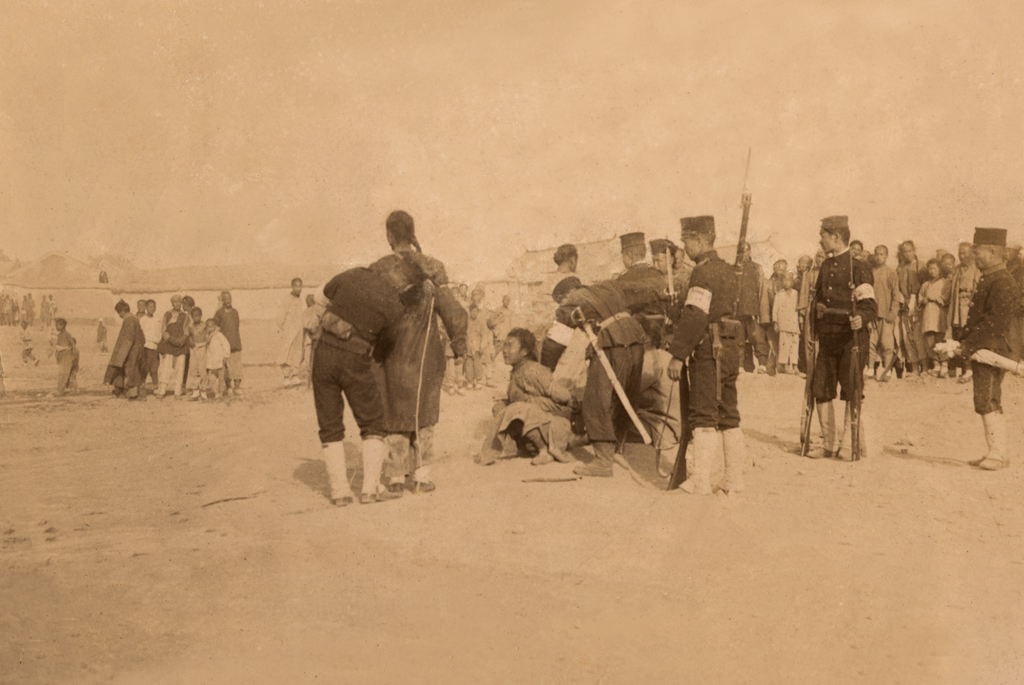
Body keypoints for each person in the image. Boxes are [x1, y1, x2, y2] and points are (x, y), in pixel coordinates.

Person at [311, 261, 425, 505]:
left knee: (329, 425)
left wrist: (335, 323)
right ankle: (370, 489)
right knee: (373, 422)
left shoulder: (352, 273)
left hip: (322, 355)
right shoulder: (395, 307)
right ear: (405, 285)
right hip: (355, 358)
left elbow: (318, 297)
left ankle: (339, 492)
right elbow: (382, 350)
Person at [375, 210, 468, 496]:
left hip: (391, 354)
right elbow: (453, 311)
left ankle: (394, 478)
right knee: (424, 413)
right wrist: (460, 344)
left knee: (394, 413)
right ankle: (422, 477)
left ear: (389, 235)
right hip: (427, 354)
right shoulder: (432, 268)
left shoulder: (379, 269)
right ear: (411, 233)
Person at [665, 215, 746, 494]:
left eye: (686, 240)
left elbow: (695, 316)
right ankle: (734, 480)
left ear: (699, 239)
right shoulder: (727, 270)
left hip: (709, 348)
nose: (684, 247)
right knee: (728, 414)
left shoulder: (703, 272)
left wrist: (678, 354)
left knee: (703, 413)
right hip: (730, 347)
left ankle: (700, 480)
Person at [555, 279, 647, 478]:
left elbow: (555, 343)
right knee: (626, 392)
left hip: (611, 344)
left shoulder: (570, 301)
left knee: (596, 399)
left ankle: (603, 461)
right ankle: (618, 444)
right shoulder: (607, 287)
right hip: (635, 338)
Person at [809, 216, 877, 460]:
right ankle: (828, 443)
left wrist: (861, 318)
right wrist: (813, 329)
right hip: (827, 338)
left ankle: (849, 444)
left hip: (851, 339)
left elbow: (869, 305)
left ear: (836, 237)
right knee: (821, 388)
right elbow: (816, 301)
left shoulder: (859, 267)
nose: (820, 240)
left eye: (823, 235)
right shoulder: (825, 266)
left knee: (851, 390)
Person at [949, 227, 1017, 470]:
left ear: (992, 251)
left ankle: (997, 454)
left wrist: (966, 345)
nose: (974, 256)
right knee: (988, 398)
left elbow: (992, 322)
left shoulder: (1002, 281)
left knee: (986, 398)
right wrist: (961, 342)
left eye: (977, 252)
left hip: (993, 349)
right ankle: (997, 451)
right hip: (986, 346)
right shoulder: (991, 277)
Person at [478, 328, 574, 466]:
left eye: (510, 345)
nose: (505, 350)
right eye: (505, 345)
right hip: (538, 421)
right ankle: (525, 448)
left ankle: (544, 451)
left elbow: (564, 397)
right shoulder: (517, 371)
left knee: (517, 409)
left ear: (524, 351)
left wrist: (534, 403)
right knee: (500, 407)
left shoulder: (532, 370)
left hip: (555, 427)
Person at [947, 242, 980, 381]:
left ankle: (969, 369)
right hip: (957, 307)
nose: (961, 256)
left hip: (969, 307)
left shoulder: (976, 269)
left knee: (968, 337)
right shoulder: (956, 270)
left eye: (964, 253)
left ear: (971, 253)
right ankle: (958, 367)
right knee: (958, 336)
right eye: (960, 253)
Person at [736, 242, 769, 373]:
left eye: (746, 251)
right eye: (741, 252)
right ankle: (739, 365)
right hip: (738, 311)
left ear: (750, 252)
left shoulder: (757, 268)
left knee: (758, 338)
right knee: (738, 339)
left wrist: (762, 312)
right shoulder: (734, 269)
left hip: (753, 310)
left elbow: (762, 290)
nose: (744, 255)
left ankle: (762, 364)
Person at [103, 299, 146, 399]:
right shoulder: (133, 318)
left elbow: (128, 338)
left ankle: (135, 394)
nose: (119, 315)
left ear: (122, 311)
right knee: (125, 369)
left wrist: (121, 354)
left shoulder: (129, 319)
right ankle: (120, 390)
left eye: (119, 313)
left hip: (131, 350)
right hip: (132, 349)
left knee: (131, 370)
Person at [869, 245, 900, 382]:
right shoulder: (871, 272)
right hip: (873, 315)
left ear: (886, 256)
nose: (878, 257)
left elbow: (895, 295)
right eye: (876, 254)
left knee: (887, 344)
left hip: (886, 315)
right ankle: (870, 369)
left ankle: (887, 370)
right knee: (871, 342)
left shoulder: (891, 272)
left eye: (881, 254)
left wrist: (892, 313)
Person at [896, 241, 926, 379]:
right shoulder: (899, 268)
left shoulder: (921, 267)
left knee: (918, 337)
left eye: (909, 251)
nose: (907, 254)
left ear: (914, 250)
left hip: (918, 306)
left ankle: (925, 367)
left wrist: (916, 302)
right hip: (904, 306)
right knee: (907, 338)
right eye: (905, 251)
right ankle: (914, 367)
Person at [919, 259, 951, 377]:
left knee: (940, 338)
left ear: (939, 270)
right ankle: (936, 364)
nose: (932, 271)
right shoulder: (925, 284)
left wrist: (934, 298)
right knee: (930, 339)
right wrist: (923, 300)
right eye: (930, 269)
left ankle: (944, 365)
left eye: (935, 269)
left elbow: (945, 298)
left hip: (939, 315)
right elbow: (920, 297)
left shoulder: (944, 283)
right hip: (928, 315)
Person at [156, 294, 190, 398]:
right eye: (175, 302)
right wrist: (171, 340)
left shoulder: (185, 316)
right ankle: (162, 390)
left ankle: (177, 391)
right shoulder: (167, 314)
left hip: (180, 345)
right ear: (172, 303)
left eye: (179, 302)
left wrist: (181, 341)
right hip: (168, 344)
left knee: (180, 368)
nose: (177, 304)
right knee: (165, 367)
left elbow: (186, 330)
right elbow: (164, 329)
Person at [277, 277, 307, 387]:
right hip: (288, 332)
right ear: (292, 286)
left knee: (297, 352)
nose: (298, 289)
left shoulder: (300, 300)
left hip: (298, 331)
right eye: (296, 286)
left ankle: (295, 375)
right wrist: (286, 329)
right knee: (286, 352)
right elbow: (280, 318)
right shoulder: (286, 299)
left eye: (300, 286)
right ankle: (286, 377)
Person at [760, 259, 788, 376]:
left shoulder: (787, 283)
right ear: (774, 268)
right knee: (772, 342)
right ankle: (772, 367)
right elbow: (765, 302)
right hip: (772, 318)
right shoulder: (768, 283)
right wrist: (766, 319)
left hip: (785, 319)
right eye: (779, 269)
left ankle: (779, 366)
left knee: (783, 343)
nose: (781, 272)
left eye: (783, 269)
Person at [213, 291, 243, 395]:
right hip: (225, 346)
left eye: (229, 298)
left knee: (237, 366)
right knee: (226, 367)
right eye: (225, 298)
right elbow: (215, 326)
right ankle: (228, 386)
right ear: (222, 300)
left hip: (235, 343)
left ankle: (237, 386)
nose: (228, 300)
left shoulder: (235, 312)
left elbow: (236, 326)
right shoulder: (219, 313)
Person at [773, 271, 800, 374]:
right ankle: (785, 365)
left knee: (794, 344)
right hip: (783, 324)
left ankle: (795, 366)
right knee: (784, 345)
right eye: (784, 280)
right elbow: (775, 309)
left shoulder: (795, 293)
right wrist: (775, 322)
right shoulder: (779, 294)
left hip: (793, 323)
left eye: (789, 280)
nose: (786, 282)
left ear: (792, 281)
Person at [204, 319, 231, 400]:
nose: (210, 328)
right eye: (208, 326)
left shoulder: (219, 335)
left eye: (212, 326)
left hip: (220, 361)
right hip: (211, 362)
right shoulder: (207, 336)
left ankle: (220, 393)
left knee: (221, 378)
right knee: (212, 379)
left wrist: (226, 356)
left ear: (215, 326)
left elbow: (226, 345)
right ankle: (216, 393)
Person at [186, 307, 209, 400]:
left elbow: (209, 335)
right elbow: (188, 336)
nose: (196, 317)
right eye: (194, 316)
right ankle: (195, 391)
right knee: (193, 369)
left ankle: (203, 391)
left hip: (203, 348)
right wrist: (191, 343)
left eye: (198, 315)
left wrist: (206, 343)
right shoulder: (190, 326)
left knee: (203, 370)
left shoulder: (205, 325)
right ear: (192, 316)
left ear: (201, 315)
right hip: (194, 349)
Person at [138, 299, 162, 391]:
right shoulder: (143, 319)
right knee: (145, 367)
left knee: (154, 368)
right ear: (146, 308)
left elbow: (159, 333)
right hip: (146, 347)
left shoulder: (157, 319)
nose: (152, 309)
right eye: (150, 307)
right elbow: (141, 334)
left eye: (153, 307)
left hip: (155, 347)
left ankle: (156, 386)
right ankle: (141, 385)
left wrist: (157, 341)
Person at [53, 318, 79, 396]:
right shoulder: (60, 335)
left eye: (57, 325)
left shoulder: (66, 334)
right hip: (63, 357)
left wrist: (74, 358)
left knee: (63, 374)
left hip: (67, 357)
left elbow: (73, 345)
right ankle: (74, 389)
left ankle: (60, 391)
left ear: (63, 325)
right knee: (68, 375)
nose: (56, 327)